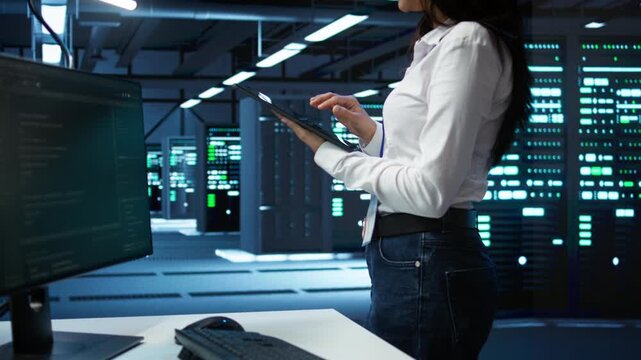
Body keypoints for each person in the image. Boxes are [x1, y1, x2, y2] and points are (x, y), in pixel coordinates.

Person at [276, 0, 532, 358]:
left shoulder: (468, 41)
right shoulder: (443, 41)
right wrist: (371, 135)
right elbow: (420, 159)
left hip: (426, 257)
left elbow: (430, 192)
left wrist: (333, 157)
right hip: (414, 257)